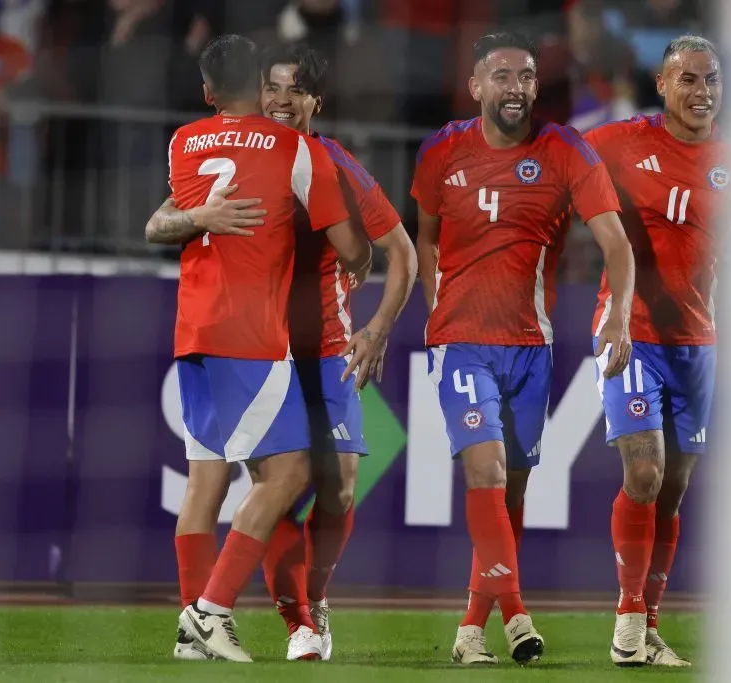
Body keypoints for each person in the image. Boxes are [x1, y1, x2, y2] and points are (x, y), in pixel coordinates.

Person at [144, 34, 372, 664]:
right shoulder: (297, 149)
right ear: (259, 87)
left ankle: (195, 636)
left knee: (206, 481)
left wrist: (198, 220)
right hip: (253, 336)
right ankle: (210, 613)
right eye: (274, 86)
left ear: (209, 92)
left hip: (192, 329)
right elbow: (355, 250)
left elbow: (156, 224)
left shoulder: (184, 141)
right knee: (291, 471)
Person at [412, 30, 635, 666]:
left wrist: (618, 317)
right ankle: (517, 618)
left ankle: (468, 631)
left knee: (510, 495)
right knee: (482, 471)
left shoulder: (564, 150)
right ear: (476, 85)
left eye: (527, 77)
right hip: (461, 344)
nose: (516, 88)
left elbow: (617, 246)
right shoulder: (441, 152)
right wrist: (437, 308)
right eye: (503, 76)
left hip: (530, 346)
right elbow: (424, 238)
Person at [254, 42, 418, 662]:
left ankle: (314, 599)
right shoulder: (236, 155)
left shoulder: (334, 162)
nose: (282, 101)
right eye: (273, 88)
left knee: (342, 487)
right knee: (273, 485)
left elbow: (401, 253)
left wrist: (375, 330)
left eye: (296, 90)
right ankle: (298, 622)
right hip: (256, 349)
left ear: (315, 102)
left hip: (325, 346)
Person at [583, 35, 725, 668]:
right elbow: (552, 171)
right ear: (663, 86)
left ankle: (651, 624)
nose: (702, 92)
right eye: (688, 80)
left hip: (698, 340)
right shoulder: (617, 142)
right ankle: (627, 617)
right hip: (629, 330)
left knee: (672, 490)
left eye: (711, 79)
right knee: (642, 474)